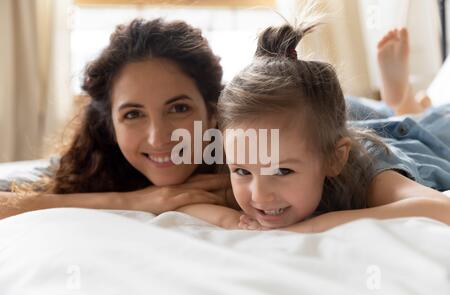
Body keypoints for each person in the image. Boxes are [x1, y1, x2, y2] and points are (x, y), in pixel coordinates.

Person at [176, 22, 450, 233]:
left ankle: (405, 105)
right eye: (242, 171)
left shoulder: (369, 172)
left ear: (334, 159)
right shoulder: (257, 158)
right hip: (342, 129)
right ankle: (403, 104)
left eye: (282, 170)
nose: (259, 195)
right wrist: (231, 220)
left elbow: (443, 209)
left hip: (431, 138)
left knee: (432, 120)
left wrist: (318, 225)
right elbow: (184, 201)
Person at [0, 18, 238, 219]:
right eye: (133, 114)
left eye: (179, 109)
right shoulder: (91, 166)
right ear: (111, 126)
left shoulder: (249, 155)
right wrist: (132, 201)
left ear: (212, 114)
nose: (158, 138)